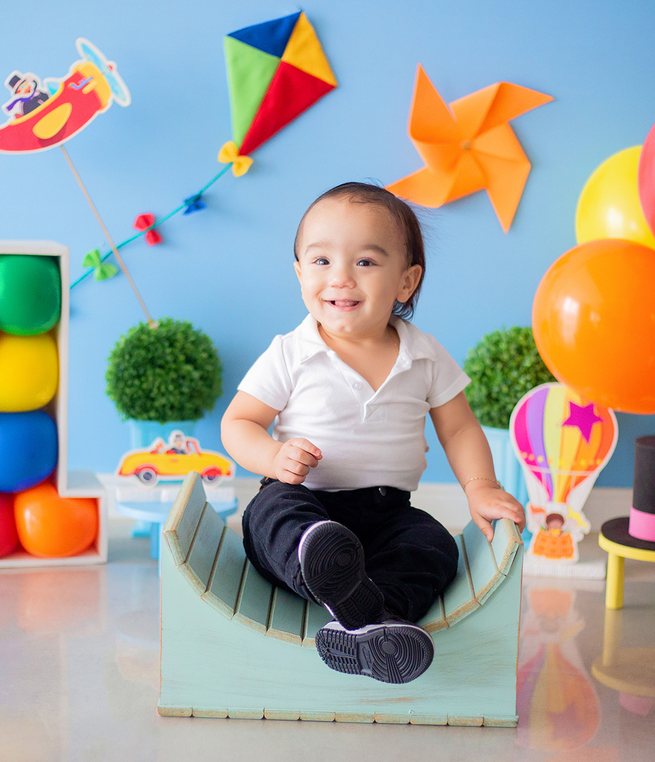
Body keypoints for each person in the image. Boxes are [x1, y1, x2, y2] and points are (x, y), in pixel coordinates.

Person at [221, 182, 525, 685]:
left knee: (432, 546)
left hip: (388, 513)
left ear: (406, 282)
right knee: (272, 515)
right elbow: (238, 423)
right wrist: (274, 458)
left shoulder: (424, 355)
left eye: (365, 262)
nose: (340, 277)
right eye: (320, 262)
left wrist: (480, 486)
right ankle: (324, 567)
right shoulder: (291, 353)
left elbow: (459, 427)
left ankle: (370, 619)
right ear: (299, 274)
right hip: (305, 500)